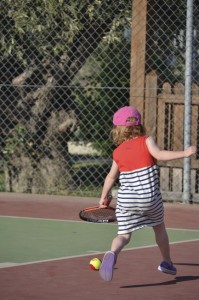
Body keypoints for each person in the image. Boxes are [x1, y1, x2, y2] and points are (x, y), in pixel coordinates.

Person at [98, 106, 196, 282]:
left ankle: (112, 253)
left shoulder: (117, 152)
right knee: (159, 227)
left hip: (126, 200)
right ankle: (167, 262)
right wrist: (184, 153)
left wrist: (104, 197)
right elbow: (159, 154)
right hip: (150, 198)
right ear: (139, 125)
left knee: (123, 235)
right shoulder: (146, 140)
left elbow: (111, 177)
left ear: (118, 129)